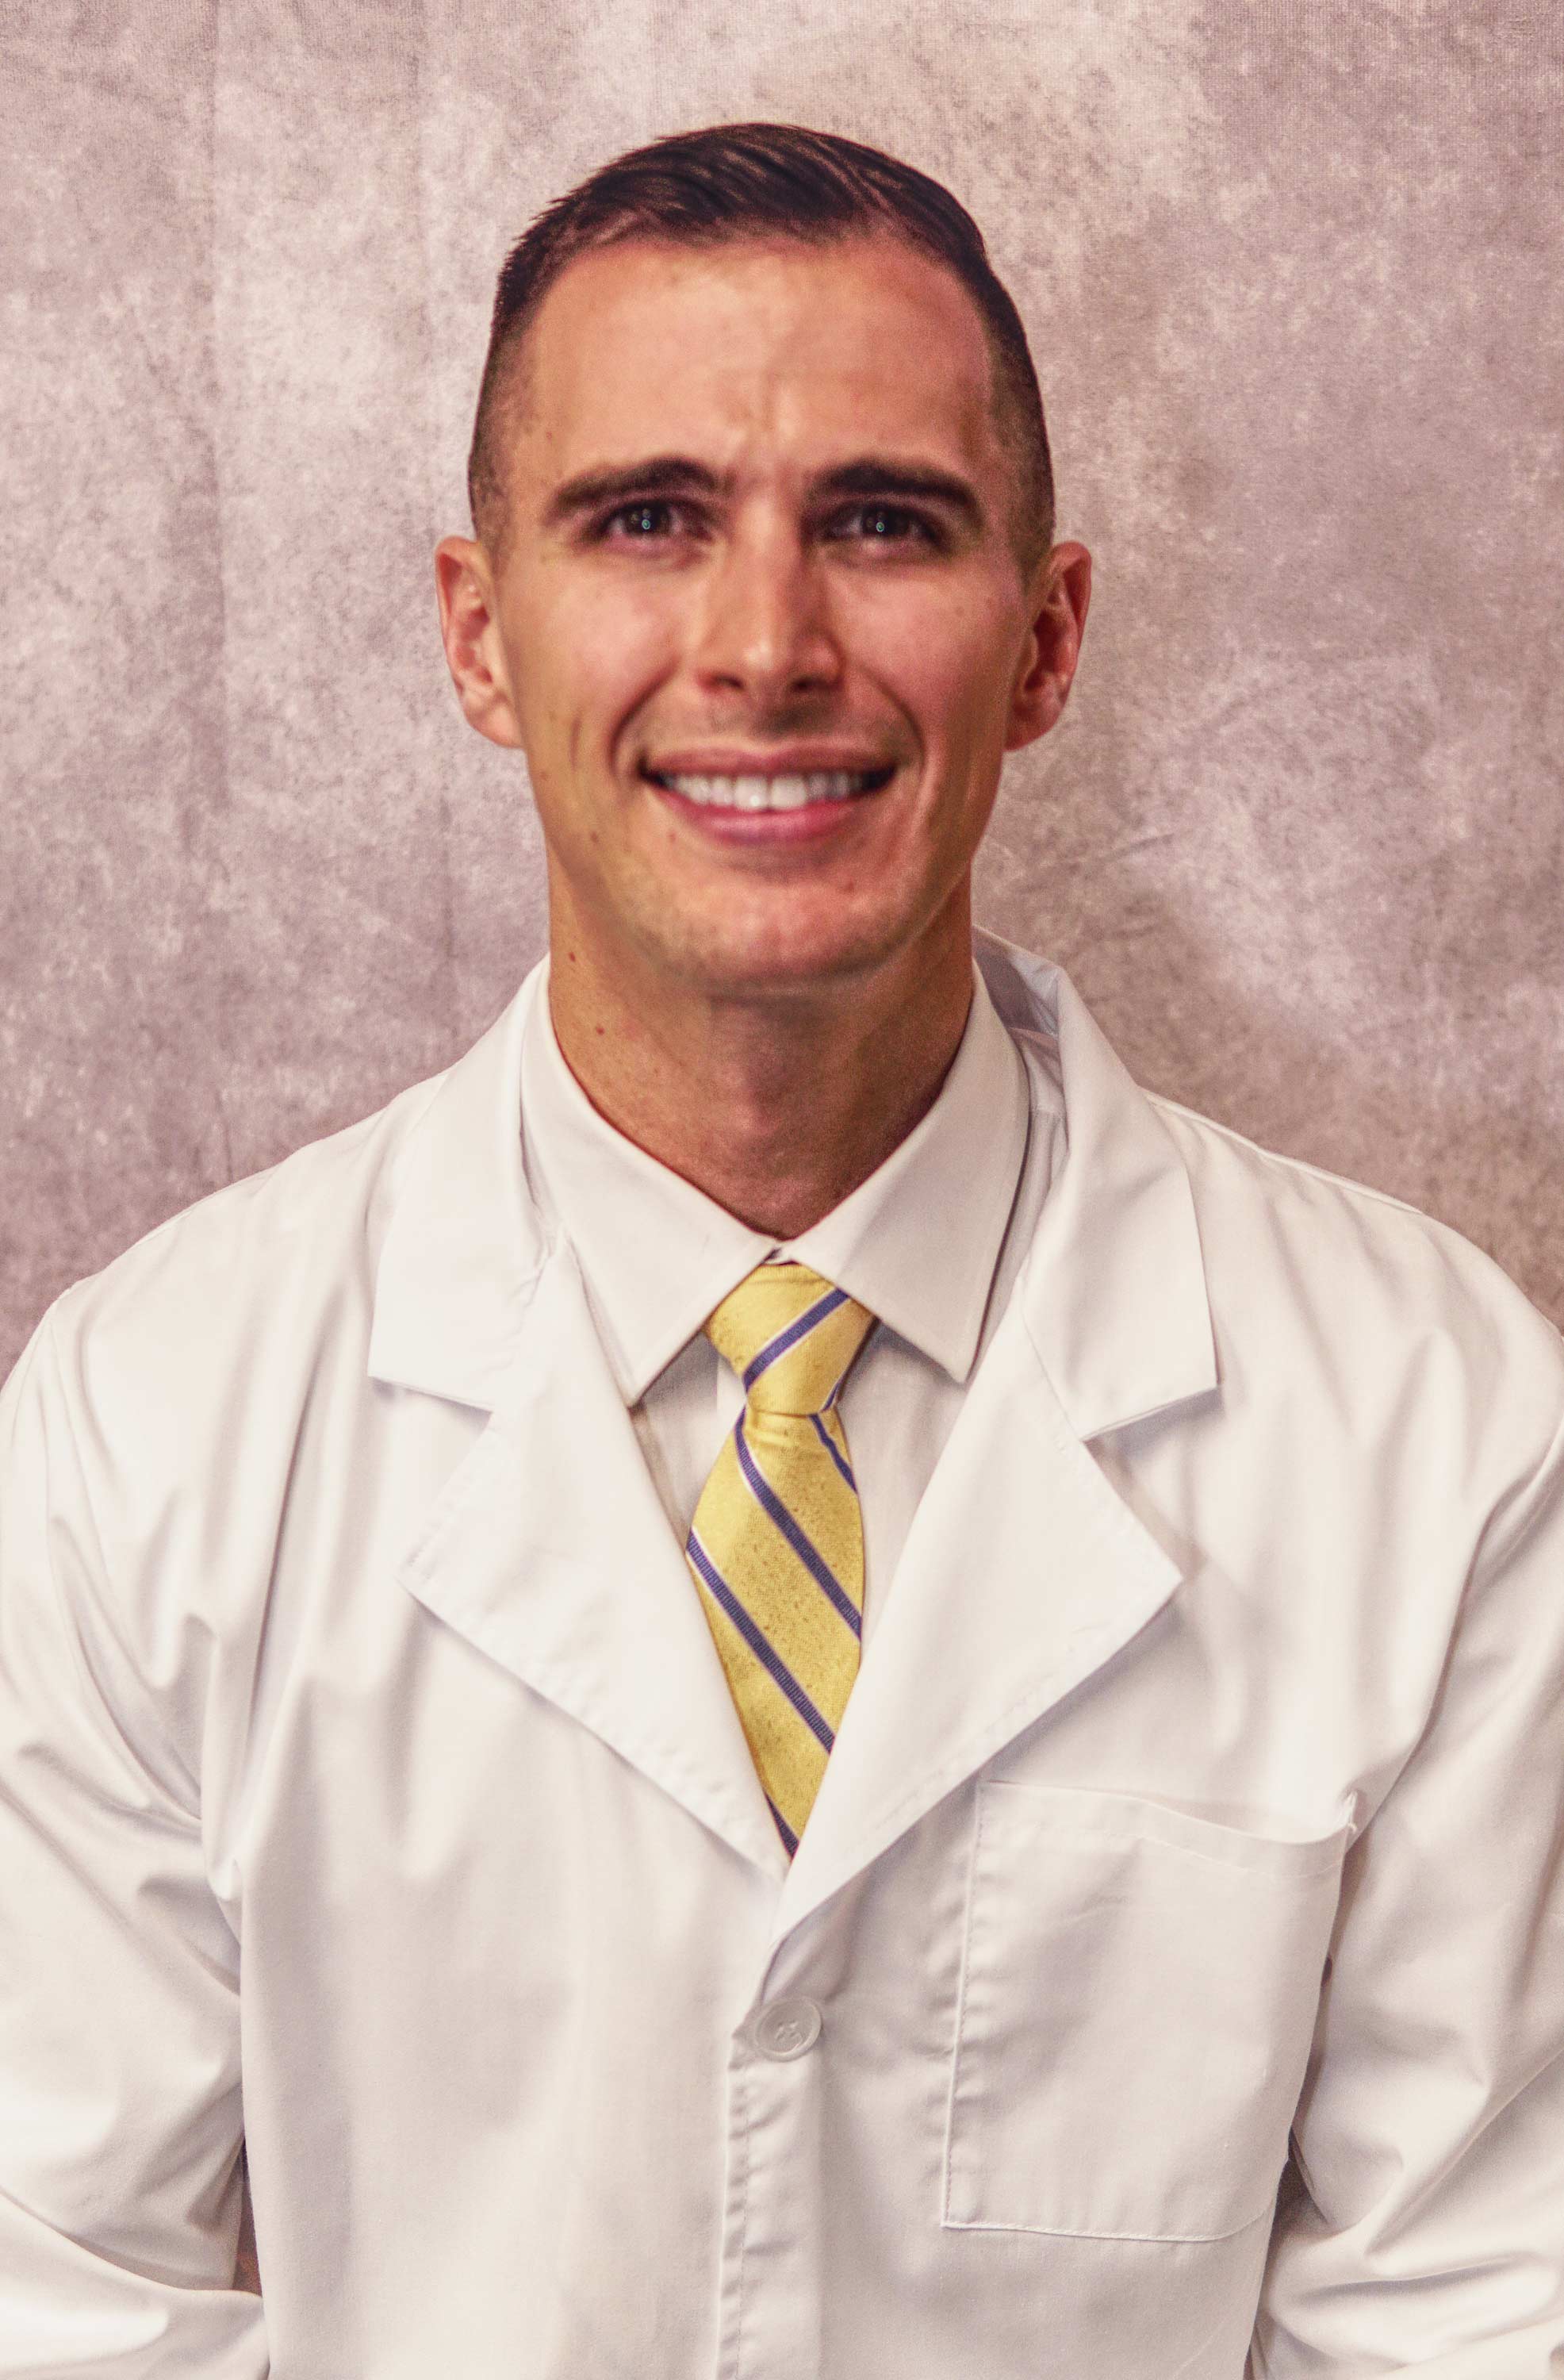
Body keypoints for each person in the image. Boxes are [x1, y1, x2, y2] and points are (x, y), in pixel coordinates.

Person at [1, 119, 1559, 2380]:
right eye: (647, 518)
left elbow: (1481, 2317)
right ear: (478, 633)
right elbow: (59, 2310)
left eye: (882, 522)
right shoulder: (143, 1430)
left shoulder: (1439, 1425)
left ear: (1044, 640)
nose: (763, 647)